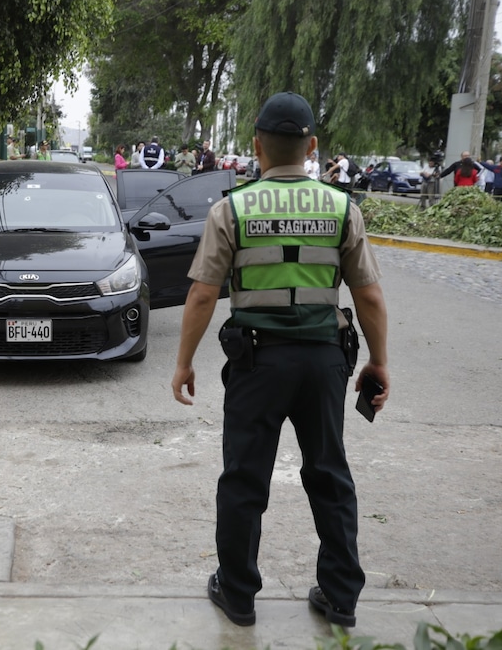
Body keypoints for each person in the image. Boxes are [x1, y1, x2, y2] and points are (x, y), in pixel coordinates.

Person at [170, 91, 390, 629]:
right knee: (329, 474)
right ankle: (340, 597)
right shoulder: (342, 208)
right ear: (312, 147)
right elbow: (368, 296)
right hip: (323, 364)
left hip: (256, 364)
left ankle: (239, 594)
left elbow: (202, 295)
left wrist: (183, 363)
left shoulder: (232, 208)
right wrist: (379, 362)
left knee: (244, 479)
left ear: (256, 148)